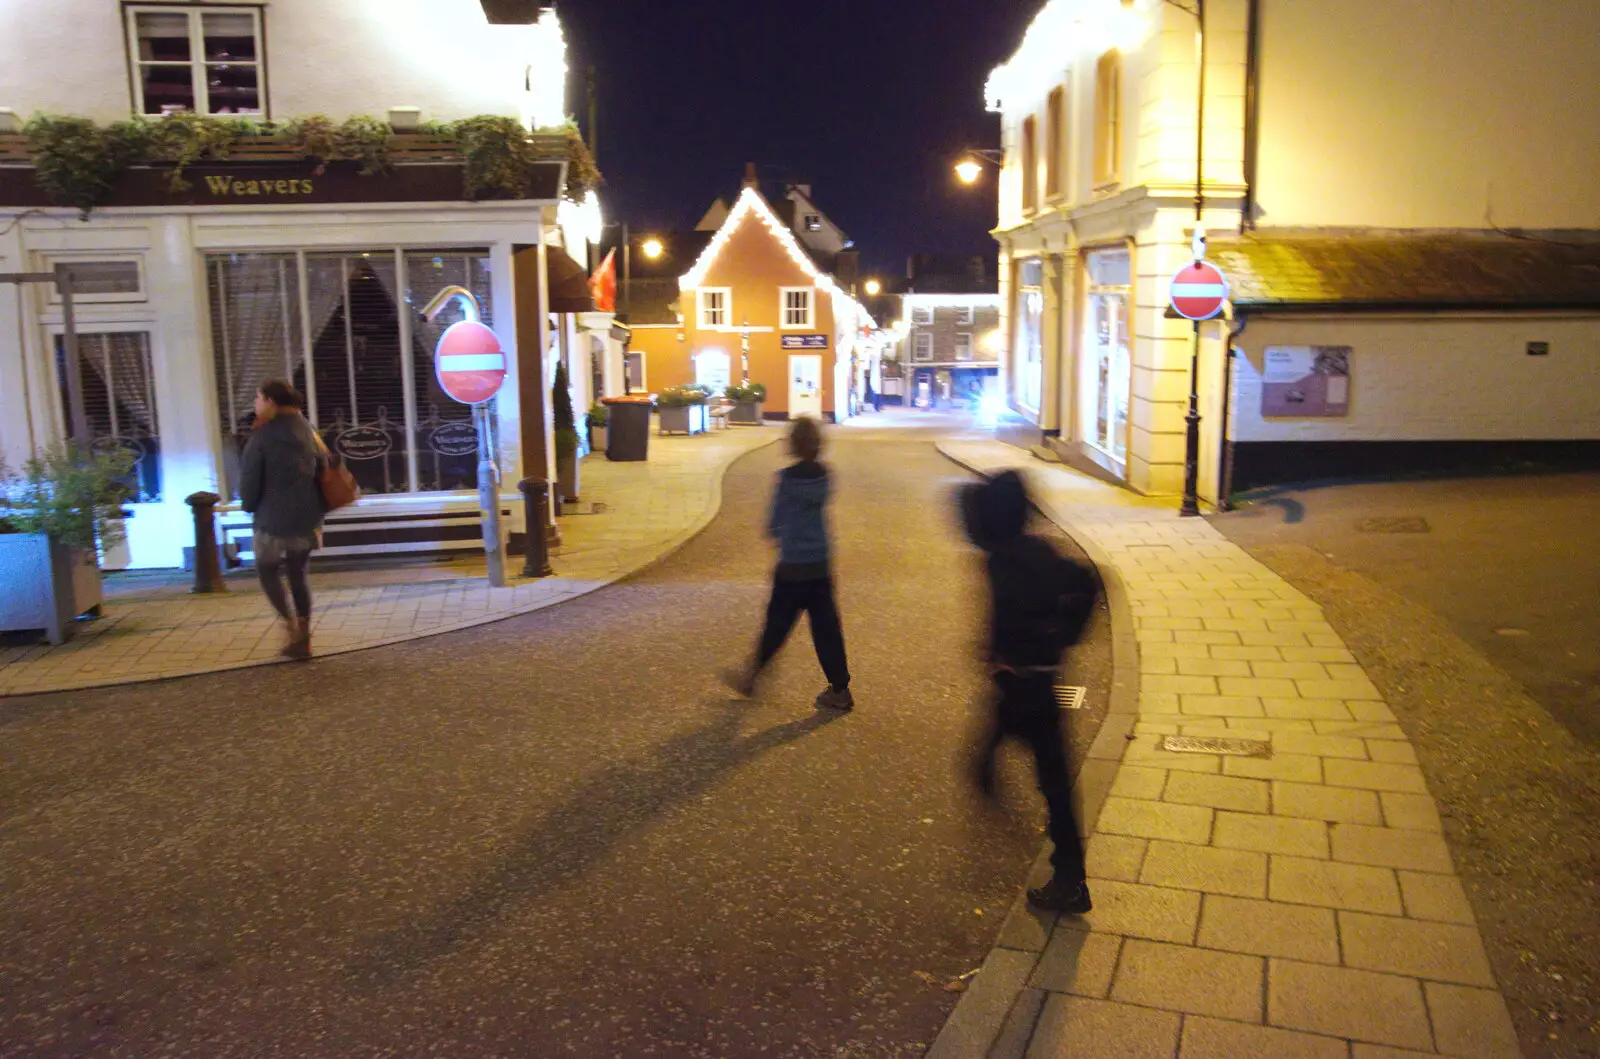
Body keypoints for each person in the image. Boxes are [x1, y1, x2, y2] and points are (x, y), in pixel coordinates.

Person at [960, 470, 1098, 914]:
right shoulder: (1040, 551)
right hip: (1039, 675)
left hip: (1025, 681)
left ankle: (1072, 879)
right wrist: (1066, 634)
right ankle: (985, 769)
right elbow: (1088, 581)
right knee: (1038, 761)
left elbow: (1005, 616)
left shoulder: (1003, 560)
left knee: (1050, 777)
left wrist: (999, 652)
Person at [724, 416, 853, 710]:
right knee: (826, 629)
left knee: (777, 624)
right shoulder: (826, 476)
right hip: (820, 562)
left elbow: (774, 523)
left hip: (793, 565)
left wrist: (776, 533)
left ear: (792, 444)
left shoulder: (785, 479)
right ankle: (840, 689)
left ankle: (752, 676)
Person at [239, 379, 325, 660]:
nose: (255, 404)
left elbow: (251, 480)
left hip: (271, 521)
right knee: (298, 574)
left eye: (258, 398)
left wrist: (248, 505)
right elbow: (322, 467)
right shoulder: (307, 430)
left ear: (271, 402)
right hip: (306, 518)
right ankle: (305, 635)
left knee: (267, 570)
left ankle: (290, 628)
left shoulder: (262, 437)